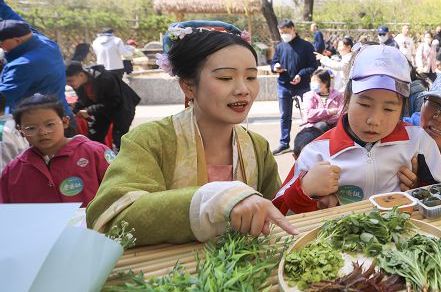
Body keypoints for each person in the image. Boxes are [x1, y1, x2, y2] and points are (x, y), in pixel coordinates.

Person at [86, 22, 298, 247]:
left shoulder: (256, 146)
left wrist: (306, 193)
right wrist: (216, 201)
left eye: (251, 77)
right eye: (226, 78)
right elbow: (110, 218)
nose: (243, 89)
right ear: (188, 86)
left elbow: (276, 214)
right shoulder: (149, 141)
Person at [272, 45, 441, 214]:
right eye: (365, 104)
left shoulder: (418, 142)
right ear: (347, 98)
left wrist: (418, 188)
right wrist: (304, 189)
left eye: (389, 109)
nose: (374, 120)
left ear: (402, 109)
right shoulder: (317, 152)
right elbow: (278, 211)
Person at [0, 94, 114, 206]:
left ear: (65, 122)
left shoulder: (96, 153)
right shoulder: (13, 170)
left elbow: (120, 192)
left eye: (49, 125)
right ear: (20, 131)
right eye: (31, 128)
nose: (42, 132)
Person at [0, 20, 74, 121]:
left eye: (1, 42)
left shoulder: (22, 65)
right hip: (61, 117)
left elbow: (2, 97)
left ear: (17, 41)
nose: (0, 46)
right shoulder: (47, 43)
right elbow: (16, 21)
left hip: (42, 127)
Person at [65, 62, 141, 151]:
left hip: (121, 108)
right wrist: (75, 107)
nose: (69, 84)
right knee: (95, 138)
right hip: (102, 110)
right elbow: (85, 100)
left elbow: (113, 101)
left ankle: (119, 163)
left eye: (70, 81)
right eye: (67, 82)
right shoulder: (79, 83)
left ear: (81, 75)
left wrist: (89, 111)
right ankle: (101, 160)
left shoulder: (105, 78)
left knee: (118, 141)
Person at [271, 19, 318, 155]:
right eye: (281, 32)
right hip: (283, 85)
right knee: (285, 115)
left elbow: (313, 66)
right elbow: (274, 62)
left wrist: (301, 75)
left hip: (302, 86)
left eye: (286, 31)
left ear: (293, 29)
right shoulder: (280, 47)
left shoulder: (306, 46)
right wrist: (276, 67)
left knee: (306, 115)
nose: (284, 34)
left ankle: (306, 142)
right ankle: (284, 143)